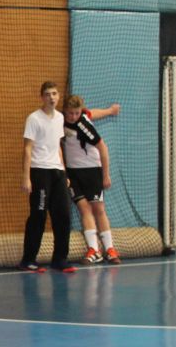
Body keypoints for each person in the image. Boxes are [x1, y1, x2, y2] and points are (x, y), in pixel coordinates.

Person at [20, 82, 76, 273]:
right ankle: (28, 260)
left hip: (57, 172)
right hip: (39, 171)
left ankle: (60, 259)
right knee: (39, 215)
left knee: (63, 215)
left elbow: (58, 146)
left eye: (54, 94)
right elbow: (27, 149)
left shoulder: (60, 118)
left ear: (58, 96)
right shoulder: (34, 119)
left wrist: (64, 172)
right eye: (47, 94)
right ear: (42, 97)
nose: (51, 97)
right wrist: (26, 177)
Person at [63, 96, 122, 264]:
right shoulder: (62, 120)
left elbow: (103, 147)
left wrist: (105, 175)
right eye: (70, 113)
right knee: (84, 208)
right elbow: (92, 113)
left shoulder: (83, 126)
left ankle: (110, 249)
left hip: (92, 171)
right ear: (65, 111)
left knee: (98, 209)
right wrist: (109, 111)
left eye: (76, 113)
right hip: (73, 173)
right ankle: (94, 250)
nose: (73, 117)